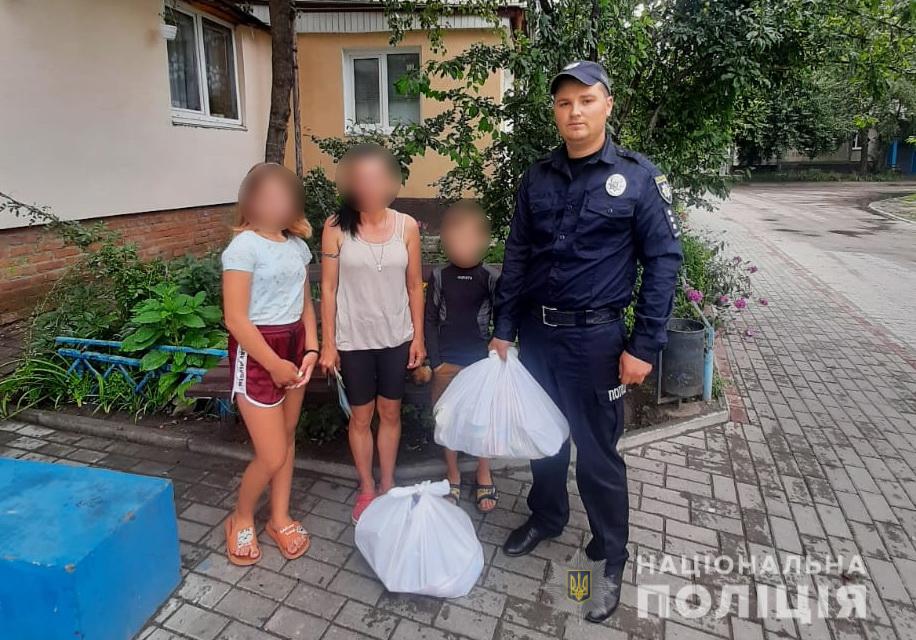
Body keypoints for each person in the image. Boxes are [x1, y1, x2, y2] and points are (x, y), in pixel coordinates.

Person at [488, 61, 683, 622]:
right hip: (537, 336)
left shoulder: (637, 178)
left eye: (586, 100)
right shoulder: (537, 178)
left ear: (607, 105)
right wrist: (503, 328)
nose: (574, 111)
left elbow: (664, 261)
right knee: (543, 440)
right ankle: (548, 517)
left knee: (597, 457)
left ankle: (608, 554)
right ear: (555, 111)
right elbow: (518, 255)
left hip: (596, 341)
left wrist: (643, 345)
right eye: (564, 102)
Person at [318, 143, 426, 524]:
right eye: (360, 179)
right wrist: (328, 344)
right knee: (361, 417)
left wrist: (418, 337)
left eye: (376, 178)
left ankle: (388, 482)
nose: (368, 186)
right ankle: (366, 487)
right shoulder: (334, 227)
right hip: (354, 341)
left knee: (391, 412)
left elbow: (414, 285)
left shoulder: (406, 226)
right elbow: (328, 289)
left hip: (396, 337)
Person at [221, 163, 318, 565]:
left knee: (287, 437)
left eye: (284, 197)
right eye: (266, 197)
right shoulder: (243, 247)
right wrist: (275, 363)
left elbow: (305, 302)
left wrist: (312, 348)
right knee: (272, 453)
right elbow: (235, 319)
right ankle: (241, 516)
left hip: (294, 345)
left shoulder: (296, 246)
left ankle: (279, 517)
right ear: (249, 201)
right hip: (259, 353)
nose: (276, 204)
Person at [417, 201, 501, 511]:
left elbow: (503, 321)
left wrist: (494, 355)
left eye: (470, 237)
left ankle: (483, 472)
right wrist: (436, 361)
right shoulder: (440, 276)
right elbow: (429, 320)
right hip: (446, 363)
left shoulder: (490, 278)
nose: (463, 244)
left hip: (479, 362)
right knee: (446, 420)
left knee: (481, 421)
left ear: (483, 241)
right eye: (456, 237)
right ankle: (452, 473)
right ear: (445, 241)